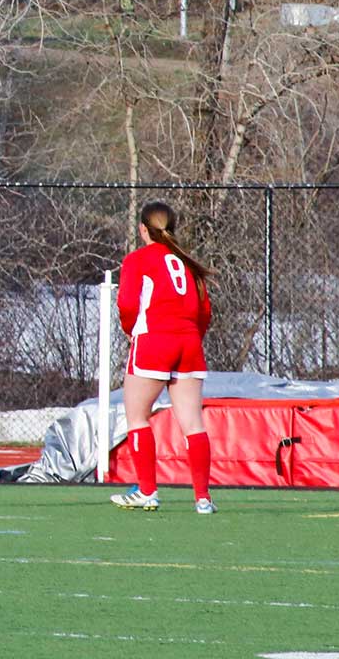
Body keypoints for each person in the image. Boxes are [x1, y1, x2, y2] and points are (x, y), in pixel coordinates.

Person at [110, 201, 215, 514]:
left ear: (143, 229)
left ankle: (147, 491)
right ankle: (203, 499)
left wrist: (131, 331)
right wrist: (192, 337)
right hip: (189, 344)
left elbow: (127, 304)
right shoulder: (187, 262)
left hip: (154, 341)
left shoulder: (137, 259)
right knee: (193, 424)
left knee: (137, 417)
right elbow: (204, 311)